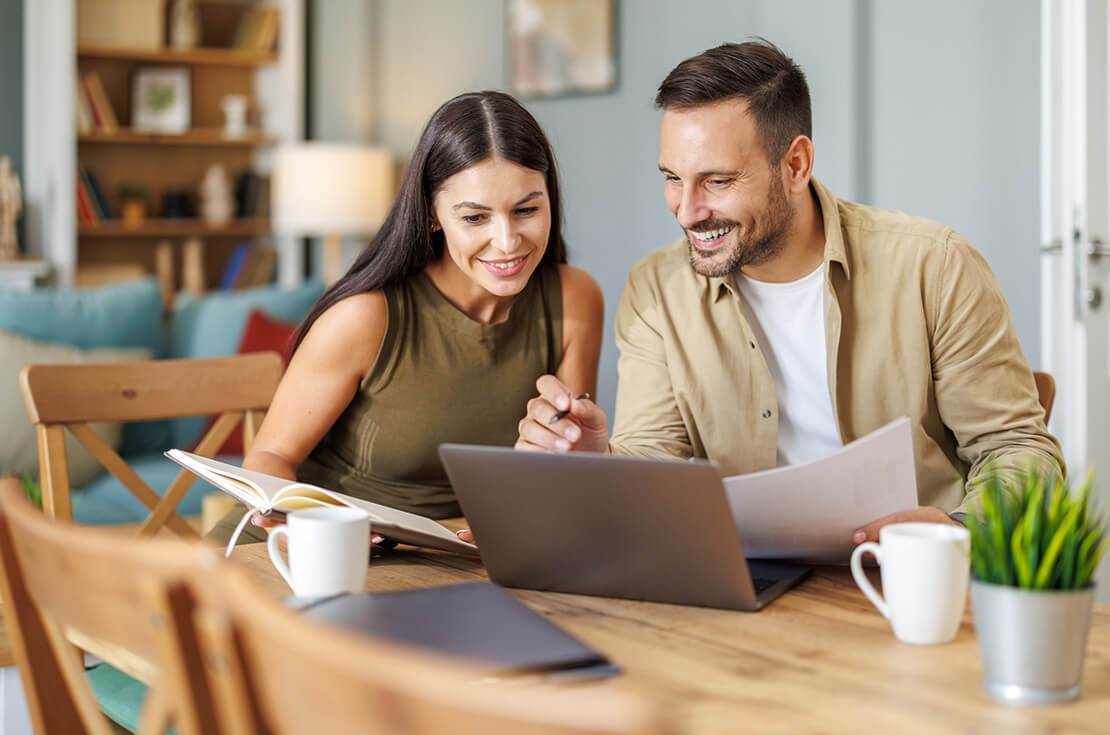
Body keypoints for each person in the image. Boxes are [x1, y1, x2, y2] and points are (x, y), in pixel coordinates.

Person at [511, 40, 1063, 547]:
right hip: (740, 585)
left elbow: (1016, 448)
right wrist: (595, 460)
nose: (686, 210)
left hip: (911, 585)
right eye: (672, 178)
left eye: (718, 181)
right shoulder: (655, 290)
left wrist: (957, 530)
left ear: (795, 164)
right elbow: (656, 459)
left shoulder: (933, 265)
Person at [210, 91, 603, 544]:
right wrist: (308, 519)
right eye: (475, 217)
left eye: (527, 210)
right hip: (311, 551)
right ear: (433, 215)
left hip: (452, 560)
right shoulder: (364, 318)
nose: (508, 241)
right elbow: (269, 458)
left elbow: (564, 468)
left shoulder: (575, 298)